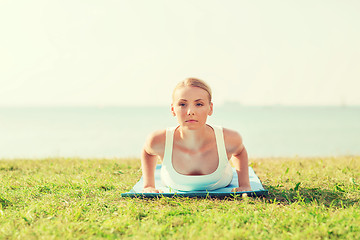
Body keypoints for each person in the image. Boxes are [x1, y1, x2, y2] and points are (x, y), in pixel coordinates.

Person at [141, 78, 251, 193]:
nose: (190, 111)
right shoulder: (158, 140)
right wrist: (148, 185)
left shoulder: (228, 138)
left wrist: (244, 184)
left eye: (199, 104)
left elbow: (240, 152)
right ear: (173, 109)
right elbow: (147, 152)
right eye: (182, 104)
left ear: (210, 108)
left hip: (222, 180)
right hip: (172, 181)